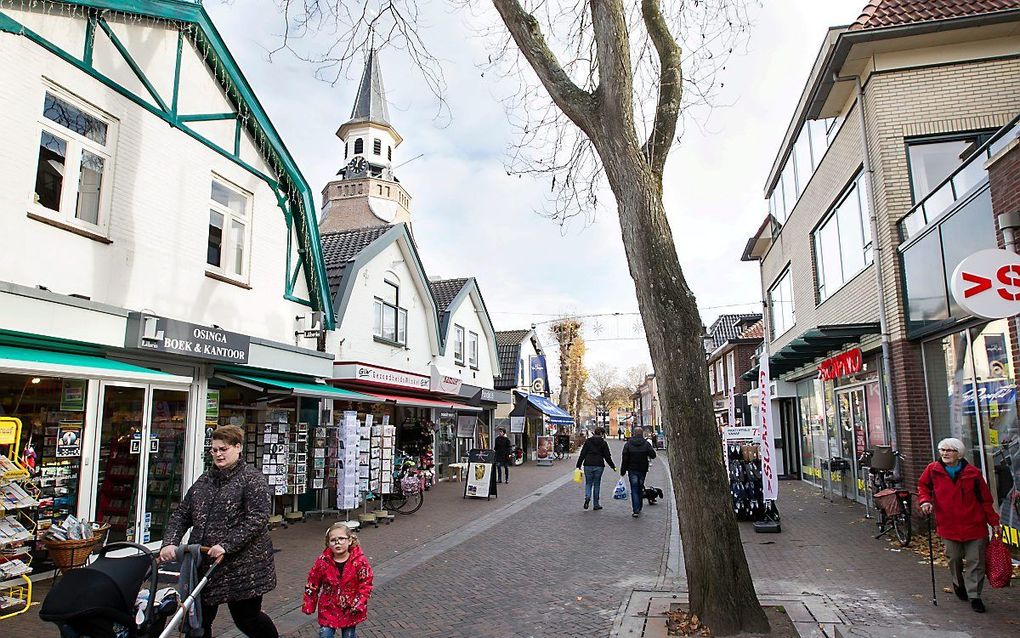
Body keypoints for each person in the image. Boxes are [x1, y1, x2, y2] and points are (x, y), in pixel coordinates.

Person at [160, 425, 278, 637]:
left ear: (238, 447)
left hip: (243, 567)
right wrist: (170, 542)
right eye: (214, 450)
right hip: (205, 564)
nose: (218, 454)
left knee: (247, 618)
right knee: (198, 622)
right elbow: (182, 514)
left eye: (223, 449)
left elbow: (257, 518)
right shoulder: (204, 481)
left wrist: (226, 545)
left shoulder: (252, 479)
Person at [918, 437, 1001, 613]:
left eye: (949, 450)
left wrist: (994, 522)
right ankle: (958, 583)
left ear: (959, 453)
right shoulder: (933, 470)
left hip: (975, 525)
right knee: (954, 559)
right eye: (942, 450)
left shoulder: (973, 473)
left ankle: (974, 595)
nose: (945, 453)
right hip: (948, 525)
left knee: (976, 561)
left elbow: (986, 500)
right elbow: (923, 487)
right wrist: (925, 501)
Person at [302, 523, 374, 637]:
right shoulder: (322, 562)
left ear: (350, 540)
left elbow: (366, 583)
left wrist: (359, 602)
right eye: (333, 540)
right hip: (328, 607)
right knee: (325, 634)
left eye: (341, 539)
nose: (337, 542)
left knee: (348, 635)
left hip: (350, 608)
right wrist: (309, 604)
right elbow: (313, 583)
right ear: (328, 544)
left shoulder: (359, 561)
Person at [575, 427, 616, 510]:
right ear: (601, 433)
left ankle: (587, 497)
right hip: (599, 465)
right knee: (597, 484)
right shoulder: (603, 443)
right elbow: (607, 456)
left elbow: (582, 454)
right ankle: (596, 504)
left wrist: (578, 465)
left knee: (588, 483)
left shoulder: (588, 441)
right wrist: (613, 466)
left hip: (588, 464)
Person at [621, 426, 657, 518]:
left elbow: (625, 458)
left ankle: (635, 510)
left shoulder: (628, 444)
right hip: (642, 469)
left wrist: (623, 470)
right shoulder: (646, 444)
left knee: (634, 489)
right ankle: (639, 506)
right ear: (642, 434)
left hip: (632, 469)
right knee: (640, 487)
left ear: (633, 433)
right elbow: (653, 455)